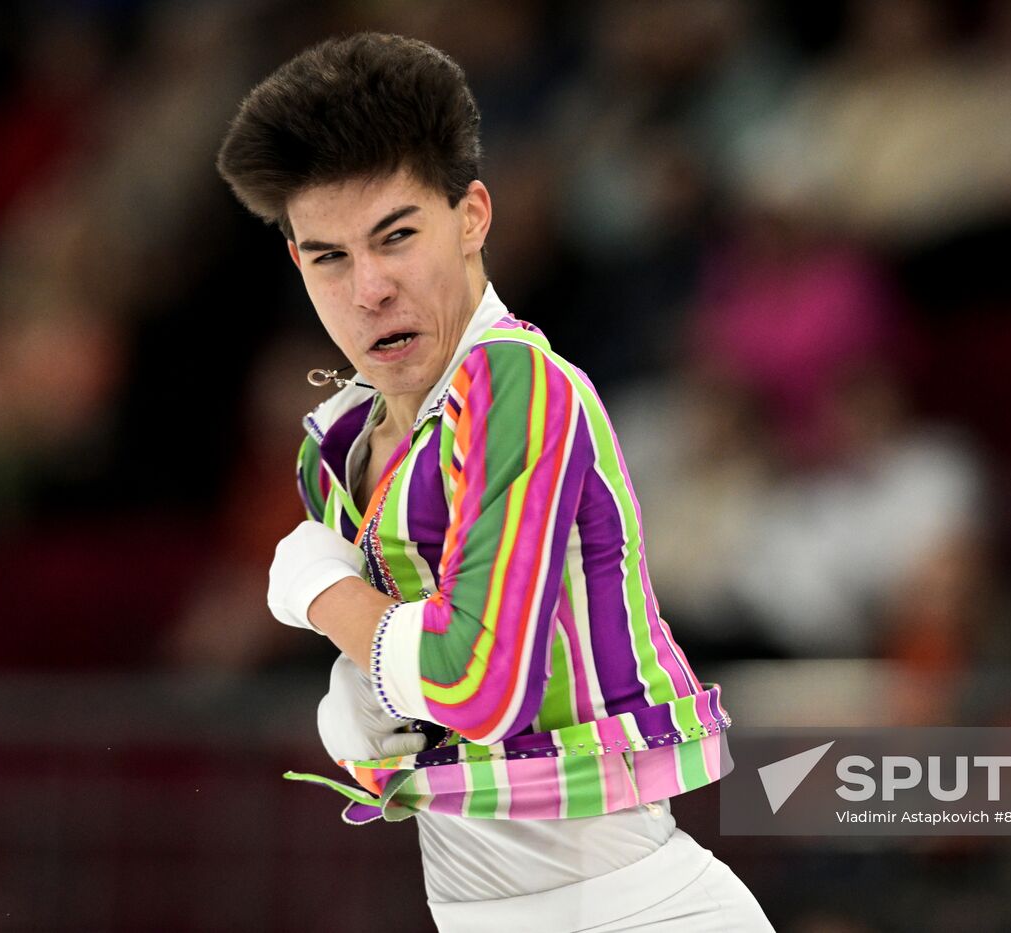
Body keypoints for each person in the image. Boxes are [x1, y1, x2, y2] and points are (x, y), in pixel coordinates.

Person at [215, 32, 773, 932]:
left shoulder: (516, 383)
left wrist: (324, 594)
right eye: (330, 257)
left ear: (472, 215)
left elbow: (480, 682)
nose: (369, 290)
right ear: (296, 264)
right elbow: (427, 701)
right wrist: (365, 711)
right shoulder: (340, 442)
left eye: (397, 236)